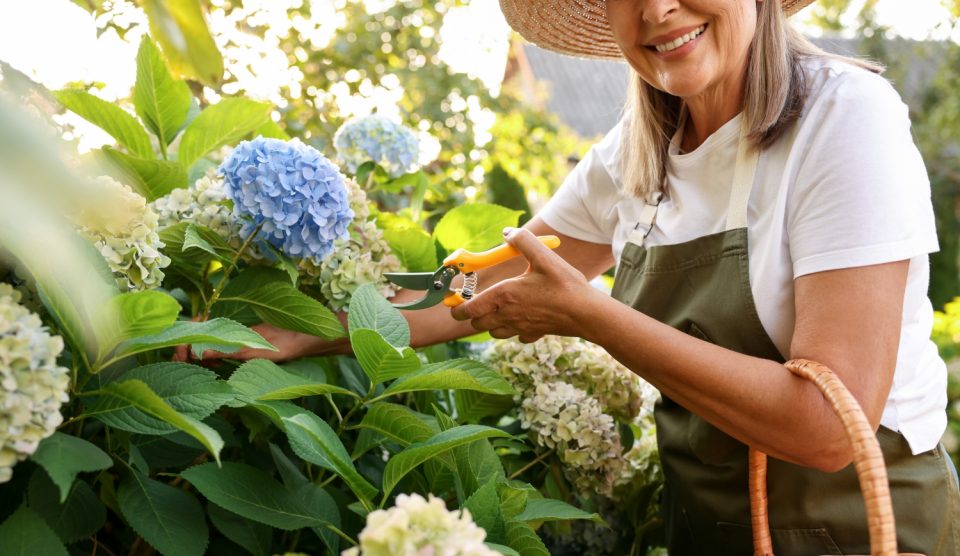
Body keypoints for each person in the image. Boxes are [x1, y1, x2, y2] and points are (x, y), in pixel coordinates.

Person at [191, 0, 960, 553]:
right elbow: (479, 290)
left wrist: (591, 316)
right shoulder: (636, 152)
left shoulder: (843, 119)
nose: (657, 9)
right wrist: (296, 331)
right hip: (705, 526)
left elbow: (828, 427)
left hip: (860, 528)